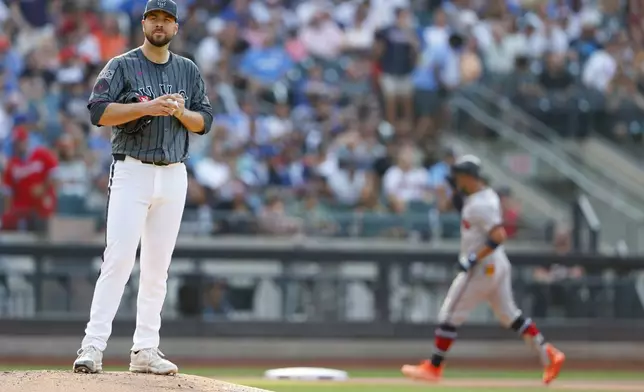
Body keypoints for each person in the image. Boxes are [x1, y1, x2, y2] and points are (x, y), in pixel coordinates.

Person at [73, 0, 213, 375]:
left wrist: (180, 112)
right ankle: (93, 345)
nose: (160, 24)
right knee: (118, 260)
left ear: (176, 27)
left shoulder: (187, 69)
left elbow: (205, 121)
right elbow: (98, 111)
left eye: (167, 19)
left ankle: (145, 348)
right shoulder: (121, 64)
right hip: (132, 169)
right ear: (144, 22)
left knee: (157, 268)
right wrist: (147, 107)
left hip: (173, 172)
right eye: (154, 18)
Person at [401, 155, 565, 385]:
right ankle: (548, 353)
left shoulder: (482, 204)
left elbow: (499, 236)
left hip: (482, 267)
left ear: (468, 177)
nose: (456, 181)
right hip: (497, 264)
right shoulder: (484, 195)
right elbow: (464, 206)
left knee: (448, 315)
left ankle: (434, 367)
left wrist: (471, 259)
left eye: (459, 177)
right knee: (510, 315)